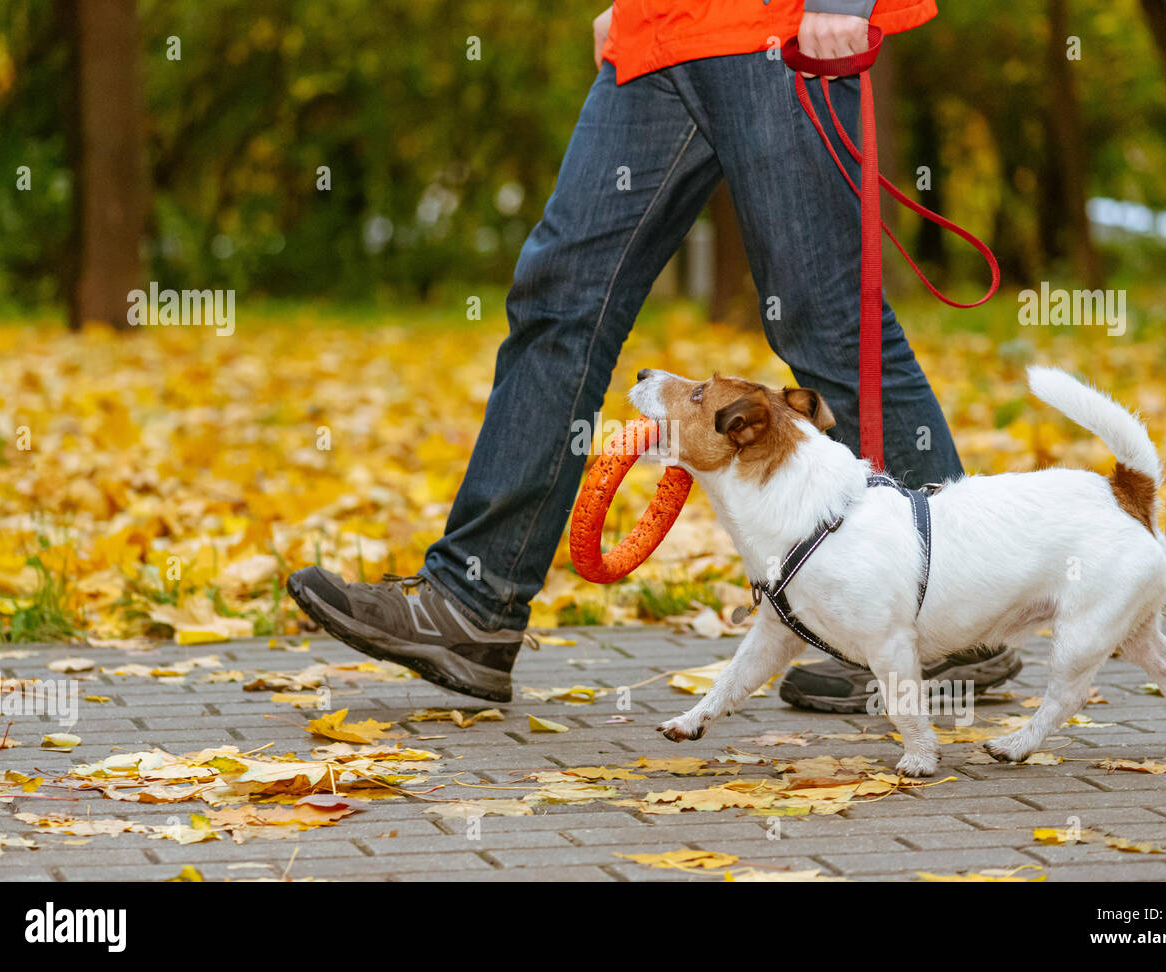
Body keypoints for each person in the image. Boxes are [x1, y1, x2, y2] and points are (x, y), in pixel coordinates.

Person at [287, 0, 1019, 708]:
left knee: (824, 323)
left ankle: (952, 616)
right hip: (659, 33)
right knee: (560, 296)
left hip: (778, 27)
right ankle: (473, 601)